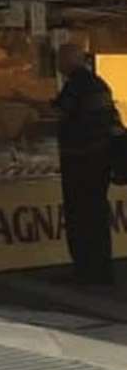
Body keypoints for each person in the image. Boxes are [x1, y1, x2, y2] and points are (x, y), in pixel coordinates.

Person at [53, 43, 123, 287]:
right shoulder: (99, 83)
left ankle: (85, 271)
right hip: (101, 161)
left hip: (81, 161)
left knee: (80, 217)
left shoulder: (76, 86)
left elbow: (58, 114)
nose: (58, 65)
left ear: (69, 60)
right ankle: (101, 270)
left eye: (60, 59)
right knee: (97, 216)